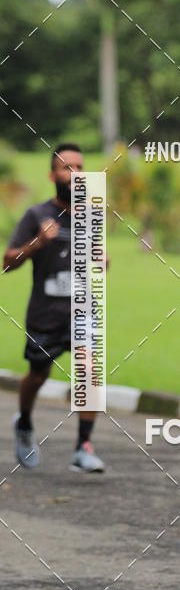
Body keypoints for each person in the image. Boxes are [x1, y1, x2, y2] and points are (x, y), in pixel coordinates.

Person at [3, 143, 105, 473]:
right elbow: (8, 262)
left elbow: (97, 261)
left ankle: (83, 447)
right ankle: (24, 422)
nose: (75, 174)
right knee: (38, 375)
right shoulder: (36, 215)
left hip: (82, 312)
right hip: (45, 315)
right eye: (67, 168)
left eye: (80, 167)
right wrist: (37, 242)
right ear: (52, 176)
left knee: (90, 370)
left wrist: (101, 261)